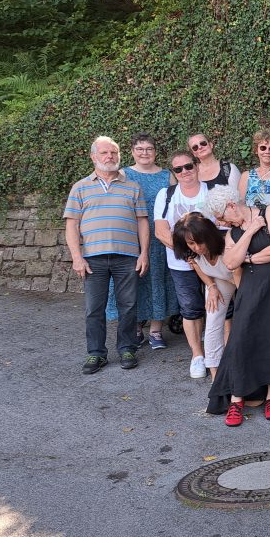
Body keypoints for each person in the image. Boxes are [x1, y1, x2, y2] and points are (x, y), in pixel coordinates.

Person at [205, 185, 270, 425]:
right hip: (251, 289)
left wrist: (250, 258)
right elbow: (231, 262)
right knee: (241, 339)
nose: (222, 222)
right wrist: (251, 231)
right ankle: (236, 399)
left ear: (231, 205)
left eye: (221, 216)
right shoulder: (233, 233)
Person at [64, 136, 149, 374]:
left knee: (129, 306)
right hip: (93, 259)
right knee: (94, 308)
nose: (110, 156)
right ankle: (96, 354)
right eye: (104, 153)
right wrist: (77, 257)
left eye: (114, 152)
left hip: (127, 256)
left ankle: (127, 349)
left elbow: (143, 222)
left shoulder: (133, 187)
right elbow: (72, 225)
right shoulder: (80, 187)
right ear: (94, 157)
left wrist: (144, 254)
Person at [106, 133, 177, 350]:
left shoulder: (167, 176)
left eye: (149, 149)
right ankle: (135, 328)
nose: (144, 153)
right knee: (133, 282)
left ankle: (156, 330)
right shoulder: (123, 174)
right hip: (131, 238)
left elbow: (176, 205)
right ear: (132, 152)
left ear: (155, 152)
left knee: (159, 280)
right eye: (140, 149)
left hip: (160, 237)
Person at [154, 151, 210, 377]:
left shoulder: (211, 191)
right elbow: (161, 231)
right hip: (181, 264)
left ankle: (219, 351)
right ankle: (197, 356)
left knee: (221, 307)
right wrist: (188, 253)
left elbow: (221, 226)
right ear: (174, 173)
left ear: (196, 166)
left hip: (211, 261)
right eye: (178, 169)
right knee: (190, 309)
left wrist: (202, 253)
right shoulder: (166, 195)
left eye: (188, 166)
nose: (184, 172)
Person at [172, 213, 237, 380]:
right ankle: (215, 374)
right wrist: (211, 286)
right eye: (191, 243)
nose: (197, 247)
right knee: (213, 318)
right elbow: (200, 268)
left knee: (247, 318)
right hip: (219, 280)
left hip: (242, 279)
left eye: (200, 241)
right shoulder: (190, 253)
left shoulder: (226, 245)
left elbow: (242, 280)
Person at [238, 128, 270, 207]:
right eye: (263, 148)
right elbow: (240, 206)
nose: (267, 152)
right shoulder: (246, 176)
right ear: (256, 150)